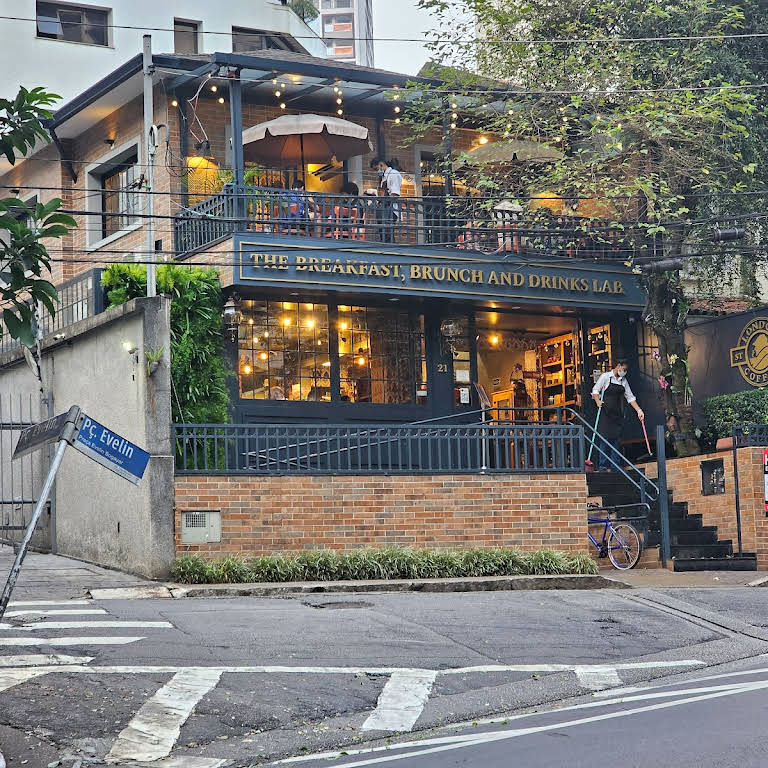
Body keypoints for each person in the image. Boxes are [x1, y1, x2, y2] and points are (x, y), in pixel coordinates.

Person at [591, 358, 644, 471]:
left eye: (626, 370)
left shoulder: (623, 381)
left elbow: (630, 397)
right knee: (605, 439)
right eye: (624, 369)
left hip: (617, 413)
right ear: (618, 366)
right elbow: (595, 391)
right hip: (605, 413)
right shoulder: (605, 377)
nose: (624, 372)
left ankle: (615, 466)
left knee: (616, 440)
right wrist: (597, 401)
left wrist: (639, 410)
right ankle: (603, 466)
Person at [369, 158, 402, 241]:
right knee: (383, 232)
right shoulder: (384, 178)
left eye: (376, 169)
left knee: (387, 232)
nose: (377, 171)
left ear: (381, 164)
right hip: (384, 208)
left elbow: (395, 193)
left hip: (390, 208)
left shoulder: (393, 174)